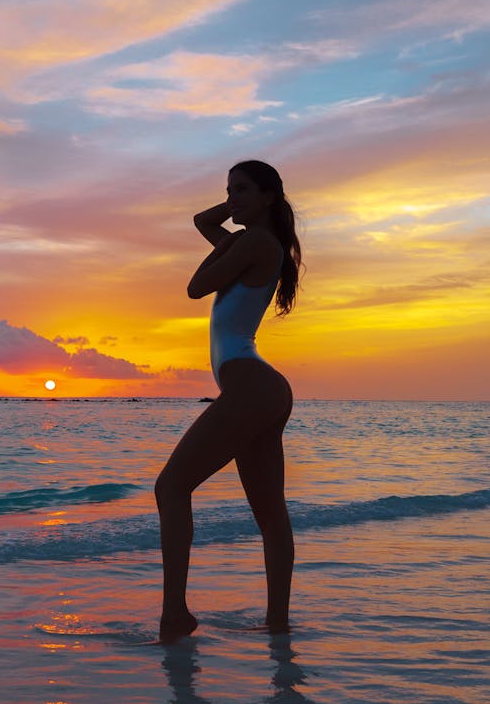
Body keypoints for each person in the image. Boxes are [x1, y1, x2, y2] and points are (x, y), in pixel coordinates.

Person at [155, 159, 302, 642]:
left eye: (241, 189)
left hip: (249, 386)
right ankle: (277, 625)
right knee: (270, 515)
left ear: (269, 197)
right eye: (227, 189)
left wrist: (241, 223)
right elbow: (203, 222)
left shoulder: (255, 242)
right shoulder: (251, 242)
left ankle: (175, 615)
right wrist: (239, 209)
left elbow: (196, 288)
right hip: (263, 390)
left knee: (171, 488)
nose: (230, 198)